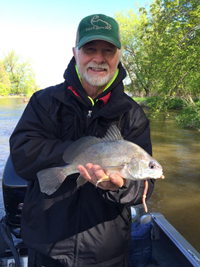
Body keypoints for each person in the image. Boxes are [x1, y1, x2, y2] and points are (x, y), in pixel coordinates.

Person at [10, 14, 154, 267]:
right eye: (90, 49)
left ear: (118, 56)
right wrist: (84, 154)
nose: (99, 58)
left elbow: (145, 186)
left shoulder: (133, 115)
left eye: (108, 50)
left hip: (106, 254)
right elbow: (22, 156)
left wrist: (117, 188)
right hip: (46, 247)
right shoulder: (43, 102)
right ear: (75, 53)